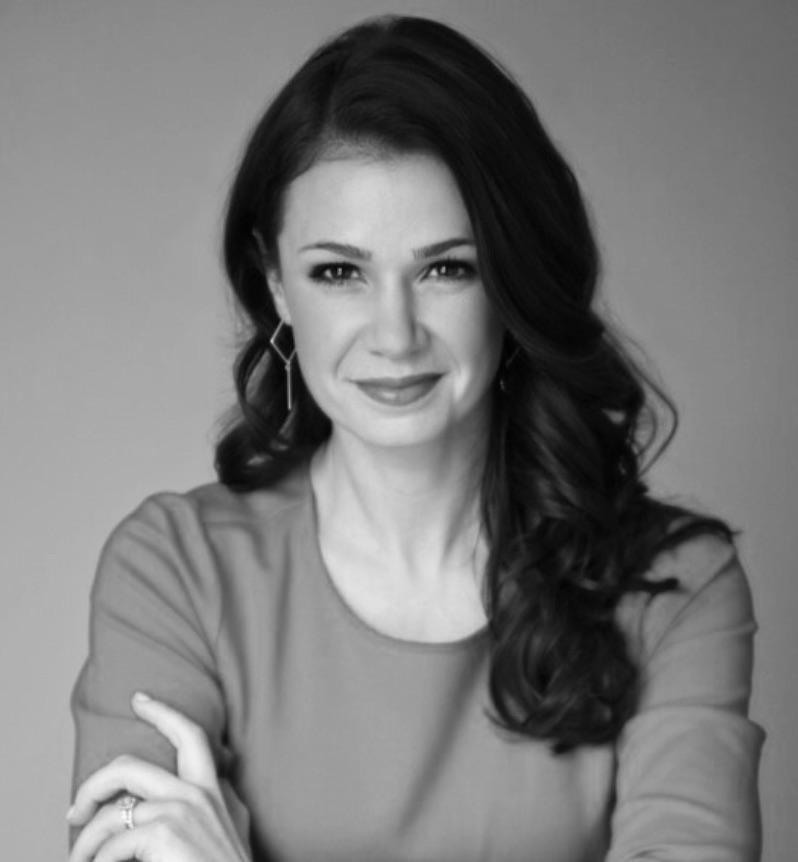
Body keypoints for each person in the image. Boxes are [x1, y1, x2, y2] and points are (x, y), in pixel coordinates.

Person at [67, 14, 765, 862]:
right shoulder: (174, 569)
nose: (394, 335)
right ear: (276, 282)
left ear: (511, 279)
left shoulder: (673, 589)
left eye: (446, 268)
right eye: (339, 272)